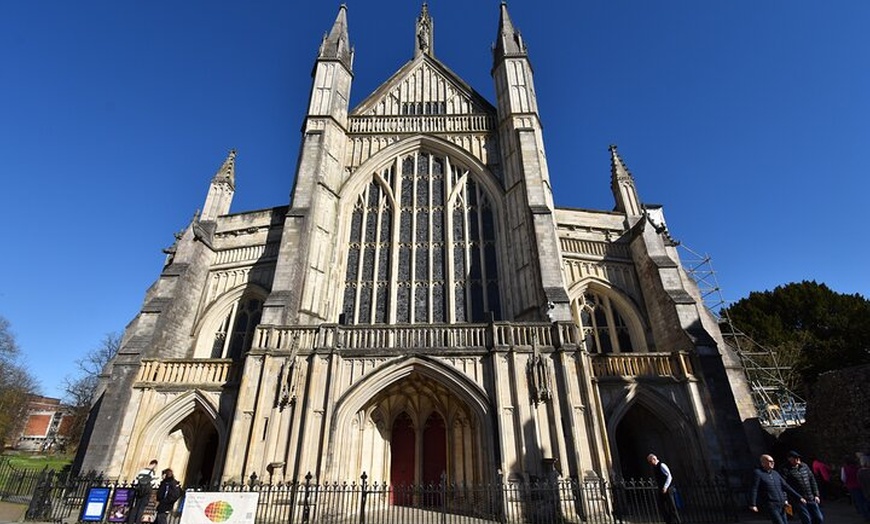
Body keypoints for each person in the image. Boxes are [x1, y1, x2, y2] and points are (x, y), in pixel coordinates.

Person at [750, 454, 805, 524]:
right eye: (770, 461)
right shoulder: (758, 473)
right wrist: (753, 504)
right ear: (763, 463)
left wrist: (799, 497)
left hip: (781, 504)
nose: (772, 463)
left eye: (773, 461)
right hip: (771, 504)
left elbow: (786, 486)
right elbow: (754, 488)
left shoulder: (775, 473)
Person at [783, 451, 823, 524]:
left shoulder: (804, 466)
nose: (797, 459)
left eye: (798, 457)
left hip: (811, 497)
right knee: (807, 520)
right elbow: (784, 486)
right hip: (799, 499)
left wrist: (816, 494)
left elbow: (812, 480)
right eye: (795, 458)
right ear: (789, 459)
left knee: (819, 518)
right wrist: (786, 499)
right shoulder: (785, 470)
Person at [646, 453, 681, 524]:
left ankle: (677, 521)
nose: (650, 463)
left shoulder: (662, 465)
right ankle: (668, 521)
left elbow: (669, 476)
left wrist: (665, 487)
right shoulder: (655, 467)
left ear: (654, 459)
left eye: (650, 461)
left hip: (667, 488)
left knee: (672, 507)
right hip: (661, 489)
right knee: (661, 506)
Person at [128, 459, 158, 524]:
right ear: (154, 465)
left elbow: (136, 480)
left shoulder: (142, 471)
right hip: (146, 491)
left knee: (136, 506)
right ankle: (138, 521)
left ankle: (131, 521)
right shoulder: (152, 472)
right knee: (142, 507)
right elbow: (153, 483)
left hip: (139, 490)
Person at [843, 455, 870, 520]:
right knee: (866, 499)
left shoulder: (845, 469)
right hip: (861, 485)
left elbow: (843, 478)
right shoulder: (858, 468)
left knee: (859, 501)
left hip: (852, 486)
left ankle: (866, 515)